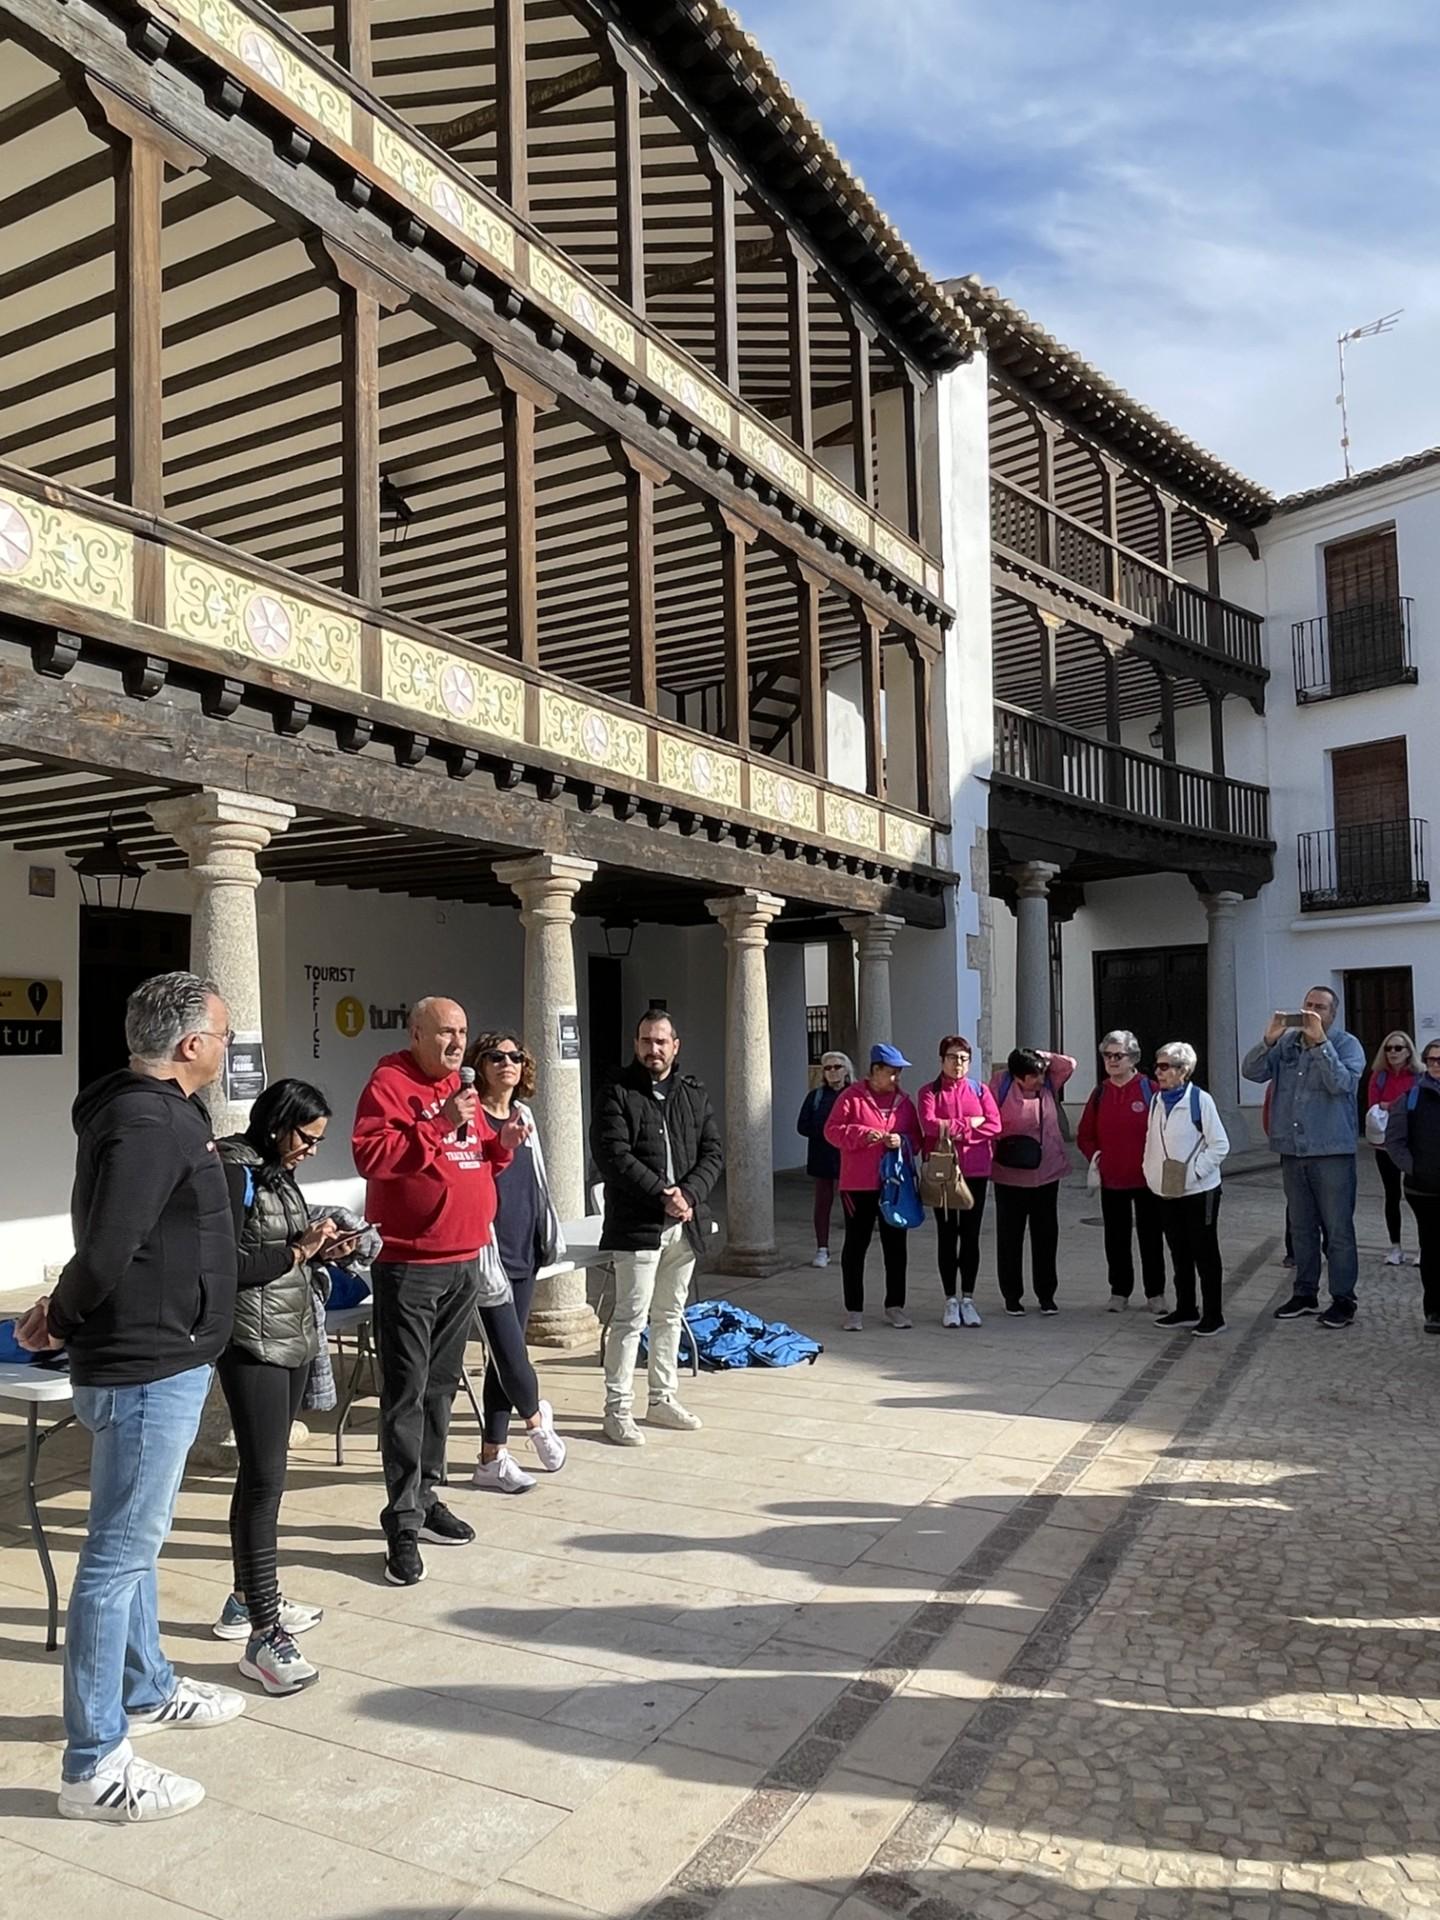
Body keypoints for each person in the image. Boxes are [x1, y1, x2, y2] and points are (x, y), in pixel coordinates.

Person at [16, 971, 245, 1822]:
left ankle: (147, 1687)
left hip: (159, 1357)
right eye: (223, 1034)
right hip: (146, 1367)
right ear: (191, 1044)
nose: (227, 1046)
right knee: (114, 1561)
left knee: (132, 1547)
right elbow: (112, 1245)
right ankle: (94, 1764)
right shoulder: (150, 1120)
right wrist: (61, 1316)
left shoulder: (158, 1112)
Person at [353, 995, 527, 1585]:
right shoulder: (389, 1083)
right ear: (416, 1034)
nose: (457, 1043)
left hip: (463, 1259)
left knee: (441, 1390)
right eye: (445, 1032)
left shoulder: (461, 1086)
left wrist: (501, 1146)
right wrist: (439, 1122)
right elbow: (372, 1157)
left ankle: (427, 1498)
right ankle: (401, 1522)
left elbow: (471, 1157)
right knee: (406, 1394)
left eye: (462, 1031)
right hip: (411, 1263)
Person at [215, 1078, 347, 1696]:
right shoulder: (233, 1169)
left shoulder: (276, 1170)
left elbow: (284, 1247)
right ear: (276, 1124)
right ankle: (265, 1634)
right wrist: (297, 1253)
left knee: (262, 1476)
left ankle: (248, 1597)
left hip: (291, 1334)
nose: (311, 1150)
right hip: (253, 1342)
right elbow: (224, 1265)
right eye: (307, 1138)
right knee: (265, 1481)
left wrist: (322, 1249)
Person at [591, 1010, 723, 1446]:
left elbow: (712, 1152)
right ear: (636, 1045)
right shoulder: (616, 1091)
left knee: (669, 1314)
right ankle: (617, 1409)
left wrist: (689, 1195)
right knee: (630, 1318)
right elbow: (613, 1155)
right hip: (638, 1225)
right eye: (646, 1041)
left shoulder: (692, 1093)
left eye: (661, 1041)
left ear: (675, 1046)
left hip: (684, 1224)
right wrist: (663, 1194)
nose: (654, 1049)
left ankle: (662, 1398)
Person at [463, 1031, 568, 1493]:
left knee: (501, 1361)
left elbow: (538, 1180)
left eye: (515, 1056)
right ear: (480, 1065)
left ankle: (492, 1458)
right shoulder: (471, 1116)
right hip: (488, 1252)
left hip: (525, 1247)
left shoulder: (524, 1115)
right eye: (496, 1056)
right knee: (510, 1353)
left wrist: (546, 1232)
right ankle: (536, 1422)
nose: (507, 1063)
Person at [1242, 985, 1366, 1329]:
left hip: (1331, 1150)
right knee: (1301, 1227)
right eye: (1308, 1005)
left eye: (1320, 1007)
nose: (1312, 1011)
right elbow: (1251, 1071)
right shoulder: (1287, 1044)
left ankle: (1343, 1299)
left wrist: (1320, 1044)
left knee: (1338, 1229)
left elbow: (1342, 1084)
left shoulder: (1346, 1045)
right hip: (1293, 1150)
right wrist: (1268, 1040)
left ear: (1332, 1014)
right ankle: (1305, 1293)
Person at [824, 1043, 924, 1332]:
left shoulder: (904, 1102)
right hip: (858, 1185)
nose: (896, 1078)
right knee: (856, 1246)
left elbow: (917, 1140)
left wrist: (901, 1141)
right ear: (875, 1070)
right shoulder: (850, 1097)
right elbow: (831, 1131)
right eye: (891, 1072)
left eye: (899, 1073)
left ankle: (895, 1306)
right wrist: (861, 1134)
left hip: (894, 1185)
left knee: (896, 1247)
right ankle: (854, 1309)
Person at [1142, 1042, 1230, 1335]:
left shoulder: (1200, 1100)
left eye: (1164, 1067)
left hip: (1199, 1191)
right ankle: (1186, 1308)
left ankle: (1214, 1315)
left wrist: (1194, 1173)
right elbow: (1151, 1139)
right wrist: (1149, 1172)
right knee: (1178, 1250)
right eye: (1157, 1066)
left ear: (1183, 1070)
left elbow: (1220, 1145)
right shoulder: (1157, 1100)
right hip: (1167, 1189)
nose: (1158, 1072)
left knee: (1204, 1252)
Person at [1076, 1030, 1166, 1313]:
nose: (1112, 1061)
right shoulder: (1100, 1093)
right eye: (1107, 1055)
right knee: (1116, 1239)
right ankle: (1119, 1292)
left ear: (1133, 1058)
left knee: (1151, 1238)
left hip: (1147, 1180)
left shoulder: (1151, 1090)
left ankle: (1156, 1294)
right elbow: (1085, 1135)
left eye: (1118, 1055)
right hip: (1112, 1180)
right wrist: (1097, 1158)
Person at [916, 1035, 1001, 1326]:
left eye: (964, 1058)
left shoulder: (980, 1090)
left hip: (976, 1170)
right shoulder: (929, 1092)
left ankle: (968, 1298)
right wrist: (969, 1125)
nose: (958, 1064)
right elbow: (929, 1125)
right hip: (943, 1172)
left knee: (971, 1235)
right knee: (947, 1234)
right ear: (942, 1060)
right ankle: (950, 1299)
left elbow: (994, 1124)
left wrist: (952, 1129)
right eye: (952, 1058)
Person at [988, 1046, 1076, 1315]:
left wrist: (1039, 1057)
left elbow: (1069, 1064)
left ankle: (1046, 1295)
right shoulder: (1000, 1085)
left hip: (1046, 1174)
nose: (1039, 1080)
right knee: (1010, 1239)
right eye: (1033, 1076)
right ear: (1018, 1076)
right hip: (1009, 1175)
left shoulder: (1048, 1081)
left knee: (1046, 1237)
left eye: (1041, 1074)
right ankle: (1012, 1296)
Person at [1383, 1038, 1440, 1333]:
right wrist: (1415, 1168)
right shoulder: (1411, 1097)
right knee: (1432, 1249)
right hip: (1424, 1189)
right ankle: (1435, 1310)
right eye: (1432, 1060)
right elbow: (1394, 1141)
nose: (1436, 1065)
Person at [1365, 1030, 1418, 1265]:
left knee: (1417, 1197)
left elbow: (1417, 1106)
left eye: (1398, 1048)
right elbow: (1374, 1106)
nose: (1393, 1052)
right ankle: (1395, 1246)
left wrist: (1391, 1105)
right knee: (1392, 1195)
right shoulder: (1379, 1076)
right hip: (1385, 1145)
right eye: (1388, 1048)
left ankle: (1423, 1246)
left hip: (1413, 1144)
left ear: (1408, 1052)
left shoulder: (1417, 1077)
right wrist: (1398, 1105)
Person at [797, 1051, 852, 1268]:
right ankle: (822, 1248)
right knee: (822, 1204)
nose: (832, 1071)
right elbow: (802, 1125)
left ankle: (852, 1248)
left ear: (846, 1070)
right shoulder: (816, 1096)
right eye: (827, 1068)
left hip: (848, 1157)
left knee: (851, 1204)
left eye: (837, 1067)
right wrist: (827, 1132)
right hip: (822, 1157)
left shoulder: (854, 1094)